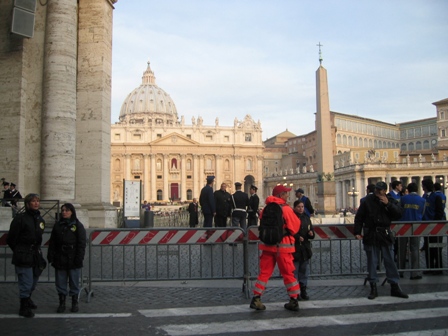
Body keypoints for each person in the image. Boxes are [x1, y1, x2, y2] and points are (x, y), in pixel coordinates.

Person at [250, 185, 301, 311]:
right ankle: (294, 299)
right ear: (280, 195)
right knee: (288, 273)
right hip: (283, 247)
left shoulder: (266, 208)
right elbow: (295, 227)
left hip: (267, 246)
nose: (287, 196)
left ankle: (256, 298)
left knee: (264, 273)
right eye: (285, 193)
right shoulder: (286, 209)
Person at [354, 181, 408, 300]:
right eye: (377, 190)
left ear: (385, 191)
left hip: (384, 233)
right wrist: (357, 231)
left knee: (390, 261)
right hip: (372, 233)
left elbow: (398, 214)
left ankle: (394, 286)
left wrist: (388, 204)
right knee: (372, 262)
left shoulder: (390, 200)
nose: (378, 192)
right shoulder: (367, 201)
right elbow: (359, 217)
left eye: (380, 190)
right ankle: (373, 286)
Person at [6, 193, 46, 318]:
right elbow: (11, 239)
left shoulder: (40, 219)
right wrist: (19, 250)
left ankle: (27, 298)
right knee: (26, 282)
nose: (36, 203)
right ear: (28, 203)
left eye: (37, 201)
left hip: (35, 254)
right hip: (23, 254)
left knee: (33, 280)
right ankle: (23, 306)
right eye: (33, 201)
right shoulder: (20, 219)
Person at [47, 203, 86, 313]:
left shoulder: (78, 226)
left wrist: (79, 258)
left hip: (73, 256)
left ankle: (74, 302)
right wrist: (51, 255)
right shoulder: (58, 225)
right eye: (63, 210)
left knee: (74, 281)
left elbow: (81, 244)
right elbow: (52, 242)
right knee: (60, 281)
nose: (64, 212)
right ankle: (62, 302)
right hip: (60, 256)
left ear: (72, 212)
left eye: (67, 210)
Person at [398, 183, 425, 280]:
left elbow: (399, 211)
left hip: (403, 226)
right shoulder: (422, 200)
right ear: (417, 189)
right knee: (414, 249)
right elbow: (422, 213)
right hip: (416, 226)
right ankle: (414, 272)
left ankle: (400, 271)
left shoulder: (403, 199)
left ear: (408, 190)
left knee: (402, 249)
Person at [421, 179, 445, 275]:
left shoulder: (436, 197)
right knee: (427, 247)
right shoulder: (424, 196)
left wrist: (435, 223)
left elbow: (439, 211)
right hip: (426, 225)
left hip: (435, 226)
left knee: (436, 247)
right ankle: (430, 267)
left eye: (423, 186)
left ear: (425, 187)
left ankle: (438, 267)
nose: (422, 187)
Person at [292, 200, 314, 300]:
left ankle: (303, 290)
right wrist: (297, 237)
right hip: (295, 248)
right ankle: (295, 292)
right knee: (295, 272)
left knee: (304, 272)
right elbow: (289, 231)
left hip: (305, 248)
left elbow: (311, 230)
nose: (301, 209)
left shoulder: (306, 218)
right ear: (295, 208)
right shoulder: (292, 218)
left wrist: (311, 234)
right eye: (299, 207)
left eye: (302, 207)